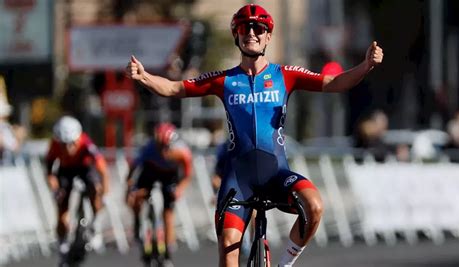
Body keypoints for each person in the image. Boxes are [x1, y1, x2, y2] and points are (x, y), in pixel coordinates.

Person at [126, 4, 383, 266]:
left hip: (277, 174)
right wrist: (144, 77)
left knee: (314, 206)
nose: (251, 32)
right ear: (236, 35)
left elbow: (334, 83)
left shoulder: (285, 75)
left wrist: (365, 66)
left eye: (258, 28)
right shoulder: (223, 80)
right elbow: (174, 88)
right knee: (229, 248)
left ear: (268, 36)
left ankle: (284, 264)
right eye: (244, 28)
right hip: (239, 178)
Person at [126, 122, 193, 265]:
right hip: (150, 171)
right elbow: (134, 167)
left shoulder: (182, 152)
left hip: (169, 176)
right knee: (136, 196)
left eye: (166, 147)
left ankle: (168, 254)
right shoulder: (149, 149)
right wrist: (130, 186)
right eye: (160, 147)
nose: (163, 151)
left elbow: (187, 175)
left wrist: (180, 189)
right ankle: (138, 220)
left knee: (168, 214)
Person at [45, 115, 110, 255]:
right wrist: (55, 189)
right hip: (65, 170)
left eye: (72, 144)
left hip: (84, 168)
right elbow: (50, 172)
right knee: (61, 203)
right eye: (64, 144)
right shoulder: (55, 143)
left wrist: (103, 194)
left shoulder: (86, 144)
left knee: (95, 190)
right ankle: (62, 238)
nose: (68, 148)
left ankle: (96, 227)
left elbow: (103, 170)